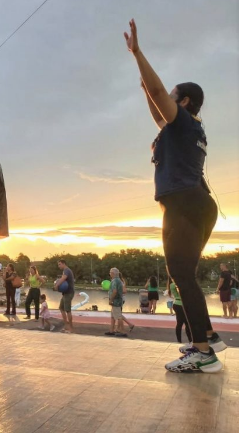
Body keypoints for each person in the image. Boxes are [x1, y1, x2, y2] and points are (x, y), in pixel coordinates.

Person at [125, 19, 226, 372]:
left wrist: (138, 54)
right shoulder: (186, 127)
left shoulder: (182, 122)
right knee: (182, 274)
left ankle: (204, 353)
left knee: (181, 273)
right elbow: (157, 109)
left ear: (183, 101)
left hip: (184, 203)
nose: (164, 97)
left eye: (171, 94)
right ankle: (209, 336)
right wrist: (145, 89)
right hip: (197, 203)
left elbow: (159, 100)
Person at [54, 260, 75, 333]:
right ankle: (66, 326)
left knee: (68, 310)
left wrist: (57, 285)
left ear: (64, 264)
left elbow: (63, 278)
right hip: (65, 293)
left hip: (69, 293)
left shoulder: (67, 270)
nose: (58, 266)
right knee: (61, 308)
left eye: (59, 264)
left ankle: (71, 328)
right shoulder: (65, 270)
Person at [104, 268, 127, 337]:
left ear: (113, 273)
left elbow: (114, 291)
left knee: (118, 317)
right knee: (113, 316)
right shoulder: (118, 280)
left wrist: (111, 299)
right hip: (118, 300)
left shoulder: (114, 281)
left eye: (110, 273)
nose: (110, 274)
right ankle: (111, 330)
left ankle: (122, 331)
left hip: (116, 301)